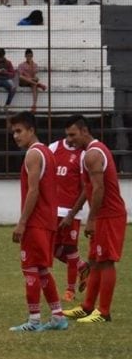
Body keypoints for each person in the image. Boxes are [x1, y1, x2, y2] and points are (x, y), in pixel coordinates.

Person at [63, 115, 128, 323]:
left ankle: (104, 312)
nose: (70, 140)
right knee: (94, 260)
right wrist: (72, 214)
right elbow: (88, 188)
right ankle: (87, 307)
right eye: (67, 136)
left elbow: (99, 188)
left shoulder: (92, 154)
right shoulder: (87, 154)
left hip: (109, 215)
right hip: (101, 215)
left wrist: (91, 219)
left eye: (73, 135)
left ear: (84, 131)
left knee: (106, 261)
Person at [9, 111, 67, 332]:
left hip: (36, 222)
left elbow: (33, 190)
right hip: (47, 220)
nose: (15, 136)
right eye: (13, 132)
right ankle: (58, 316)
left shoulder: (33, 155)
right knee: (42, 270)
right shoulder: (47, 152)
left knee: (31, 269)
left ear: (31, 130)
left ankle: (33, 321)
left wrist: (22, 222)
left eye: (19, 131)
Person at [48, 131, 89, 302]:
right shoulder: (53, 148)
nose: (72, 139)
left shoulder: (82, 155)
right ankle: (83, 267)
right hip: (52, 211)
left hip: (71, 212)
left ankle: (70, 291)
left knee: (71, 249)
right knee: (54, 251)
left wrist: (73, 213)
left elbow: (84, 185)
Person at [17, 49, 47, 113]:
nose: (29, 57)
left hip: (31, 81)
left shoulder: (35, 65)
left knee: (34, 82)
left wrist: (31, 65)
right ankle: (38, 84)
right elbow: (20, 75)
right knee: (21, 77)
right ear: (25, 56)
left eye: (30, 56)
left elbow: (34, 75)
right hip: (23, 82)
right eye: (28, 56)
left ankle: (34, 105)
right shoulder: (21, 65)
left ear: (32, 56)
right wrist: (30, 79)